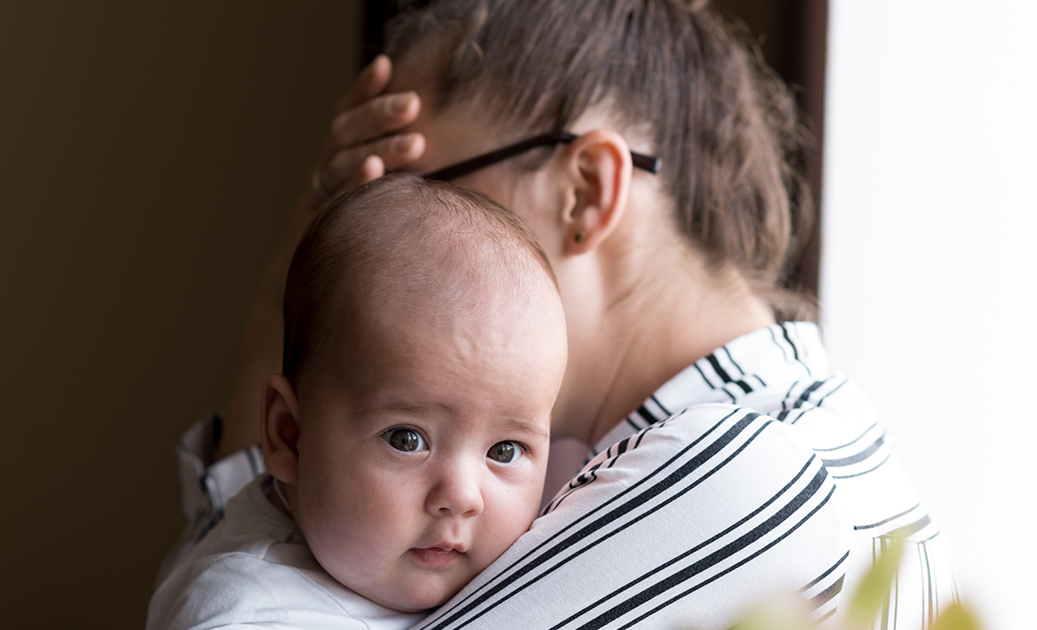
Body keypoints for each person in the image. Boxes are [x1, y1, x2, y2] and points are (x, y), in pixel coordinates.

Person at [165, 1, 958, 628]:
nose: (375, 236)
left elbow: (229, 595)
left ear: (586, 192)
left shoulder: (737, 477)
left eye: (418, 189)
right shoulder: (809, 427)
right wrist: (294, 284)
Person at [148, 175, 569, 629]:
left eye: (504, 451)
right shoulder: (246, 615)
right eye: (407, 439)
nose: (463, 497)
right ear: (290, 435)